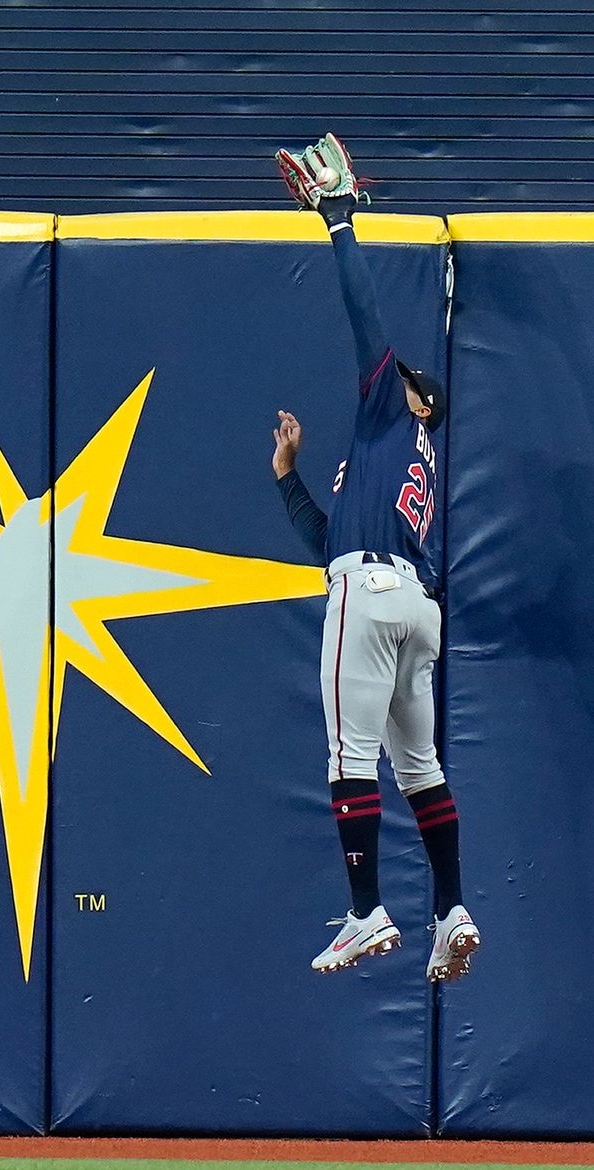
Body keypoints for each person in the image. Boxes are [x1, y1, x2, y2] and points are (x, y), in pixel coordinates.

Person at [273, 133, 480, 982]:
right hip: (413, 605)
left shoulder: (398, 418)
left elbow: (367, 321)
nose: (390, 378)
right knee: (420, 767)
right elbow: (330, 541)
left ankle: (365, 913)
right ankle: (451, 907)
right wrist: (289, 480)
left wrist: (339, 221)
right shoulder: (407, 454)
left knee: (349, 760)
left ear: (420, 401)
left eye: (404, 379)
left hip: (370, 591)